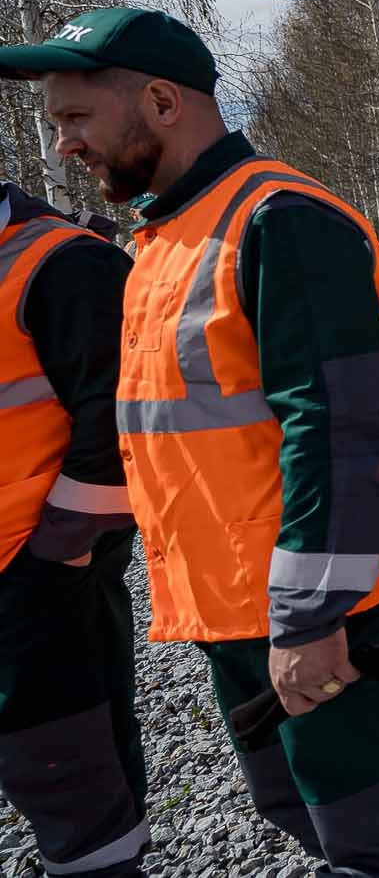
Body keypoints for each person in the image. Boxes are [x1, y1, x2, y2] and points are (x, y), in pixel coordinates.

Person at [2, 8, 379, 875]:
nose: (62, 147)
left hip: (320, 612)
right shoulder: (168, 232)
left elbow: (341, 429)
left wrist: (310, 616)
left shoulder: (279, 219)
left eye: (75, 119)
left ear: (158, 100)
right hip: (238, 604)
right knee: (304, 806)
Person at [0, 180, 147, 876]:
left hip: (32, 587)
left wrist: (55, 558)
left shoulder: (64, 262)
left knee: (72, 789)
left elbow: (121, 430)